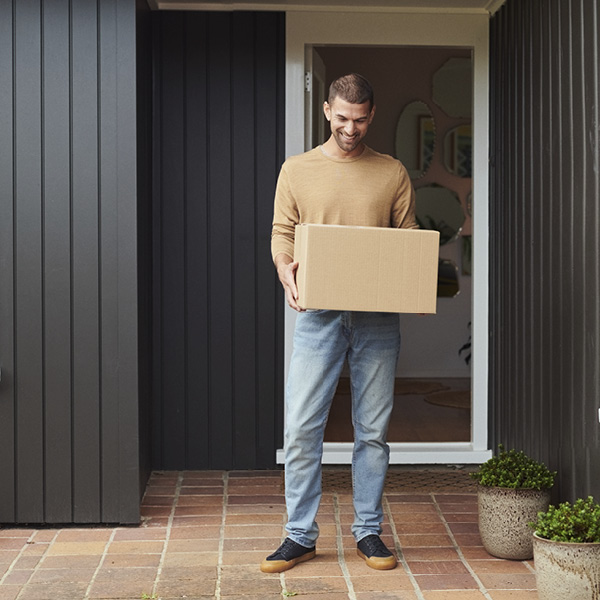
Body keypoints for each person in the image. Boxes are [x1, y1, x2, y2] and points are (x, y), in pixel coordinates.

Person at [261, 73, 418, 574]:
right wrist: (285, 269)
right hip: (318, 316)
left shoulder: (391, 172)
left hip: (377, 319)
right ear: (327, 111)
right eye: (344, 118)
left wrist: (411, 277)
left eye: (362, 119)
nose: (352, 129)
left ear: (372, 115)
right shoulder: (297, 169)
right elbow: (282, 232)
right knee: (302, 427)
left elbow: (407, 240)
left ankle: (368, 532)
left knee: (371, 430)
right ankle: (299, 536)